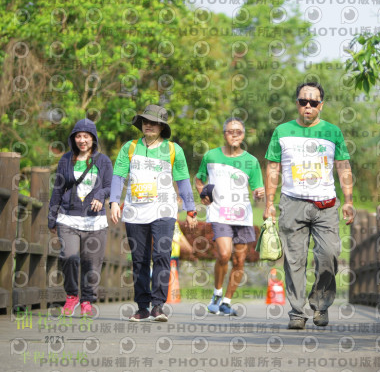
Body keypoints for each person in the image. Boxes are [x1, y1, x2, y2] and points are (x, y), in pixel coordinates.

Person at [263, 82, 354, 329]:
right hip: (292, 202)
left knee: (329, 255)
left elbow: (343, 166)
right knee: (294, 260)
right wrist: (270, 203)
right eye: (303, 101)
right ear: (297, 103)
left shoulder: (332, 132)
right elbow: (273, 167)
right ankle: (296, 312)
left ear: (321, 106)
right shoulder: (282, 131)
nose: (308, 106)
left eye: (313, 103)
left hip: (326, 204)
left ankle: (321, 304)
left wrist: (348, 201)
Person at [109, 104, 197, 322]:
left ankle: (158, 306)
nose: (148, 125)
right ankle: (142, 307)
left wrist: (190, 209)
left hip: (164, 209)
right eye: (145, 121)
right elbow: (119, 176)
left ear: (162, 126)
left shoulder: (173, 150)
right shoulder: (129, 147)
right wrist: (113, 202)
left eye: (154, 122)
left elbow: (183, 181)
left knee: (161, 255)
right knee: (139, 259)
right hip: (134, 211)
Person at [195, 117, 265, 316]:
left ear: (243, 135)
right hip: (219, 213)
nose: (234, 135)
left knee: (240, 260)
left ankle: (226, 301)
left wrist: (259, 193)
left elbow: (257, 188)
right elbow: (199, 179)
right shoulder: (210, 156)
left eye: (239, 132)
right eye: (230, 131)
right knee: (224, 254)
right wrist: (202, 193)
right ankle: (217, 294)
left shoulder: (251, 161)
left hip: (242, 216)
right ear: (224, 133)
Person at [48, 118, 113, 317]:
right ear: (73, 138)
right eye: (78, 136)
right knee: (69, 257)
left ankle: (87, 299)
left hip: (95, 221)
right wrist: (52, 217)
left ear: (93, 139)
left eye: (86, 136)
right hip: (68, 218)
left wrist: (100, 196)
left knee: (92, 262)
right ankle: (71, 296)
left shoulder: (103, 161)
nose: (82, 140)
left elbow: (110, 187)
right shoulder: (66, 160)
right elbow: (58, 189)